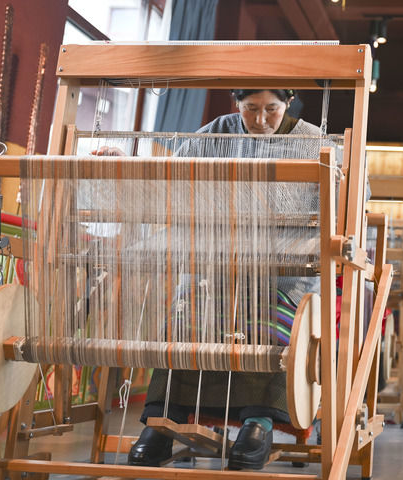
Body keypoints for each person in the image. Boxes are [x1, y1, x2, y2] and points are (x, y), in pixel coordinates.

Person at [126, 89, 322, 470]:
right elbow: (169, 179)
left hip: (285, 274)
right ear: (237, 104)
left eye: (271, 109)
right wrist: (127, 165)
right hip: (214, 271)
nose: (261, 120)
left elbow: (352, 195)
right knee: (186, 318)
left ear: (289, 102)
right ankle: (162, 422)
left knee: (268, 324)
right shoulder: (215, 135)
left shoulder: (313, 141)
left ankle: (258, 424)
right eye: (251, 109)